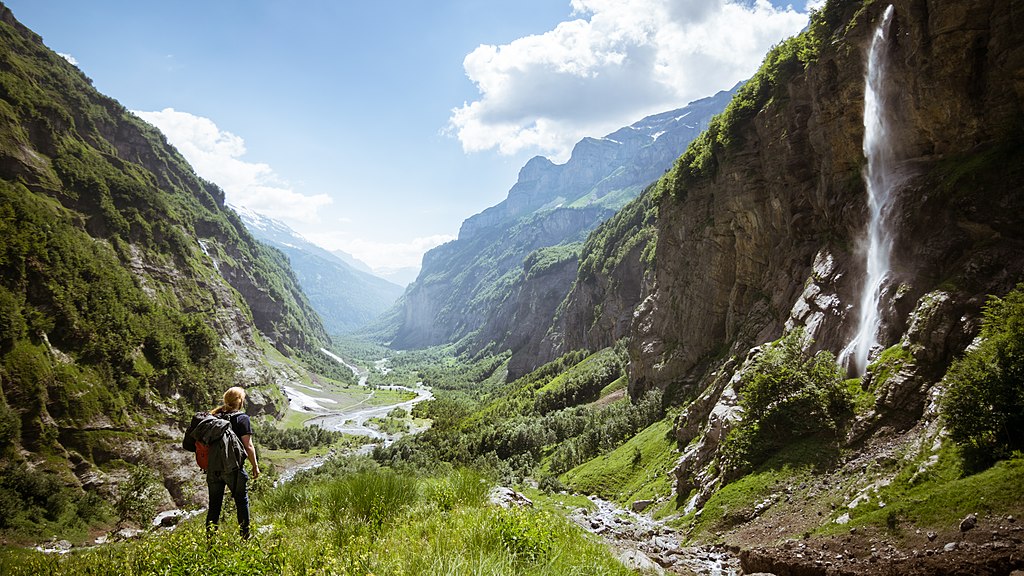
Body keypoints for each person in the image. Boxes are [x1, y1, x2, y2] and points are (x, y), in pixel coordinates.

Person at [186, 386, 261, 539]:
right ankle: (245, 538)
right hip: (233, 469)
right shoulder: (242, 419)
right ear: (240, 401)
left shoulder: (214, 417)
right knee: (241, 502)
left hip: (213, 469)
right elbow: (248, 446)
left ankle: (210, 541)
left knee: (214, 506)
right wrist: (255, 466)